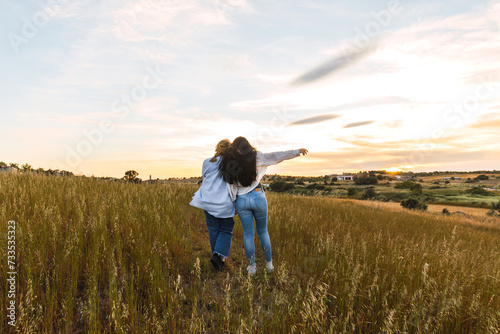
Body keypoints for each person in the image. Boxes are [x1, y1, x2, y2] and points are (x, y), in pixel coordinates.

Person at [218, 136, 308, 275]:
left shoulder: (230, 163)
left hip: (241, 200)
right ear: (248, 146)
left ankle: (252, 268)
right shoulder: (256, 157)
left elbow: (230, 188)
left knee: (248, 235)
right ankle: (269, 266)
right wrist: (297, 151)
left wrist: (234, 203)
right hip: (258, 195)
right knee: (263, 231)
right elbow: (276, 156)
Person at [190, 139, 237, 271]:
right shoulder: (232, 164)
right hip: (224, 202)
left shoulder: (207, 162)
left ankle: (217, 257)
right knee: (226, 229)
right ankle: (219, 256)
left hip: (208, 200)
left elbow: (205, 178)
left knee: (213, 228)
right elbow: (234, 185)